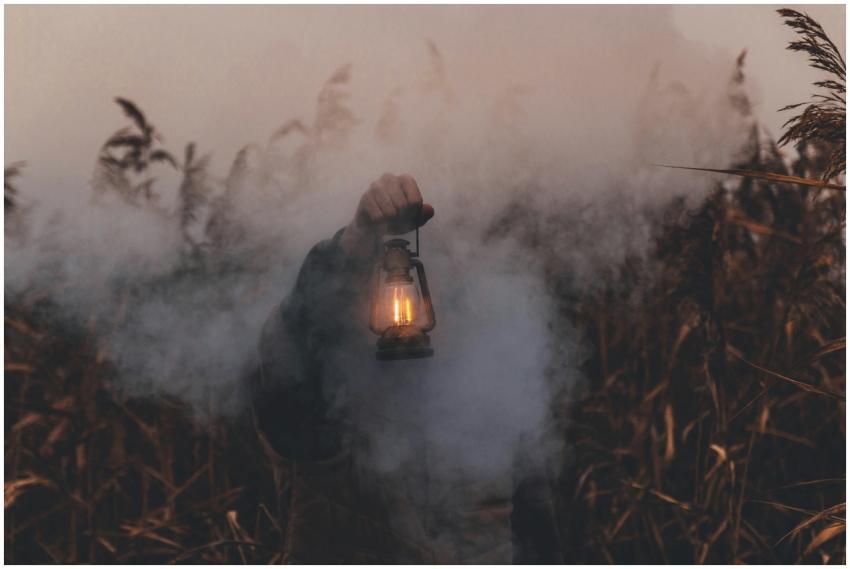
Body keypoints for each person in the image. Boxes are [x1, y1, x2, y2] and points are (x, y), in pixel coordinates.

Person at [248, 173, 563, 563]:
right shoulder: (324, 406)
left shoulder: (492, 406)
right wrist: (352, 245)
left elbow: (539, 545)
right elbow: (286, 354)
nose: (404, 311)